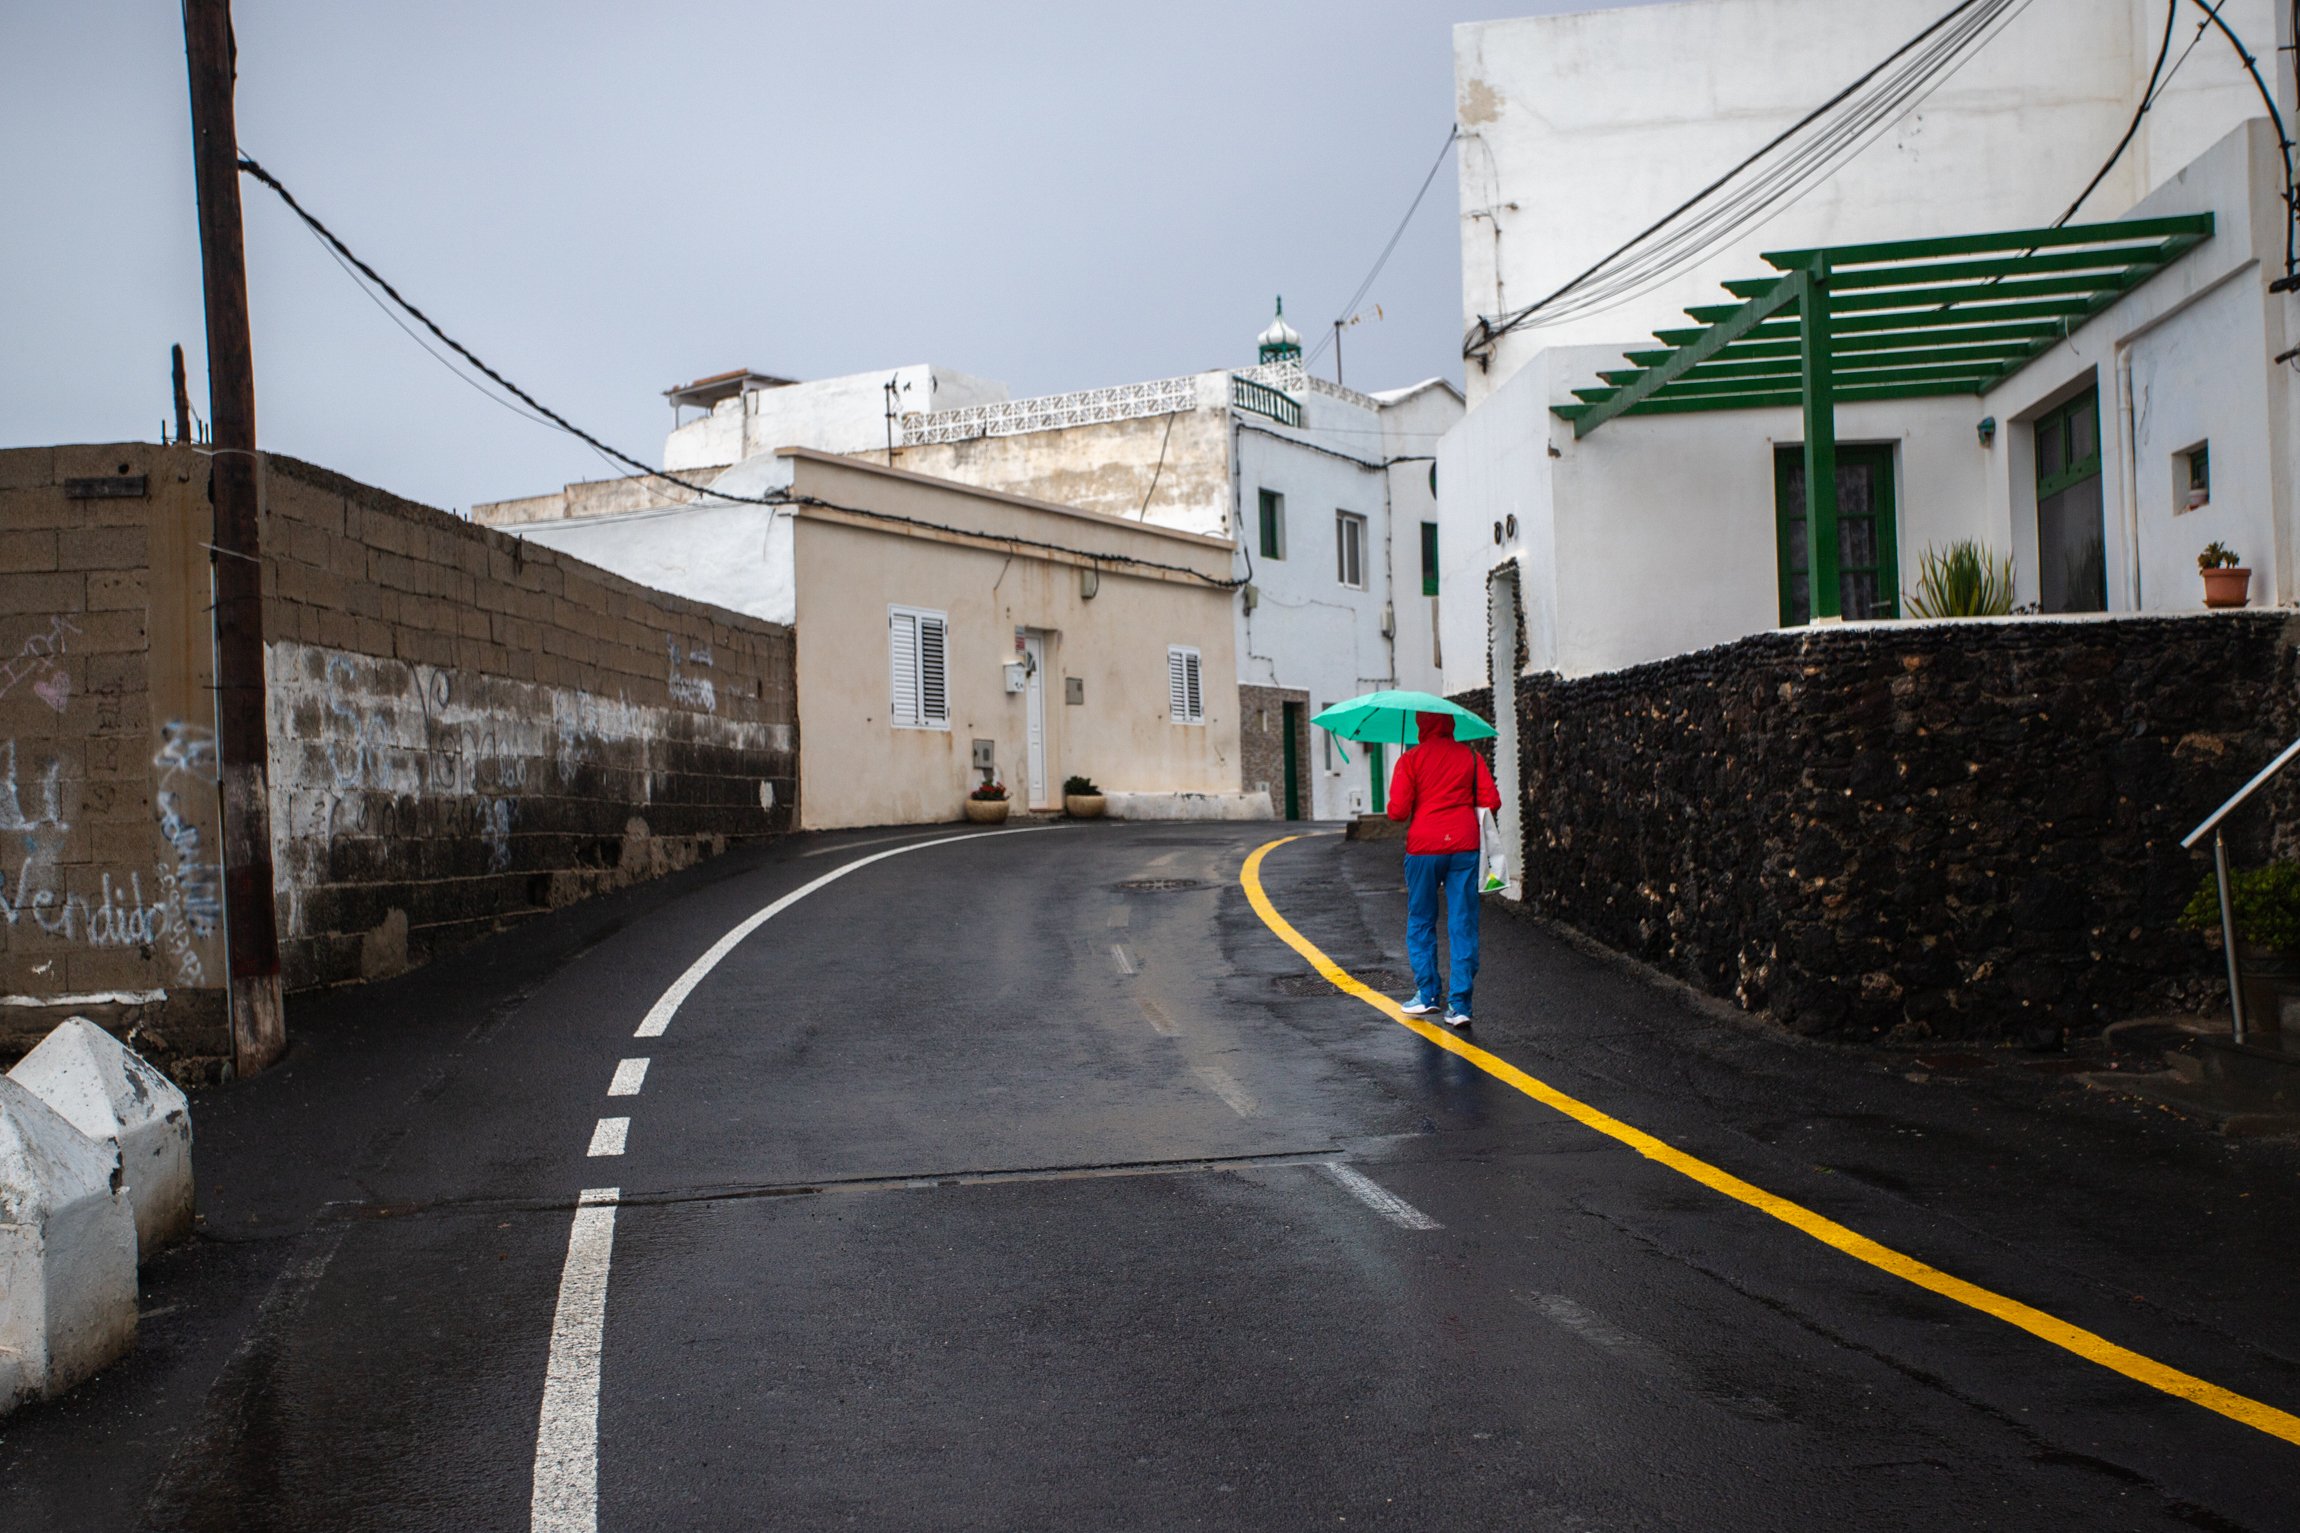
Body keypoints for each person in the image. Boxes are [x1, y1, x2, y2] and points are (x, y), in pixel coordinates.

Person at [1383, 711, 1500, 1026]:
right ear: (1450, 725)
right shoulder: (1471, 757)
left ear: (1421, 726)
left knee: (1421, 919)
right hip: (1464, 845)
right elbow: (1492, 800)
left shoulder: (1411, 759)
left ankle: (1428, 995)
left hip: (1424, 849)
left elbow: (1397, 812)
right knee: (1463, 922)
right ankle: (1460, 1006)